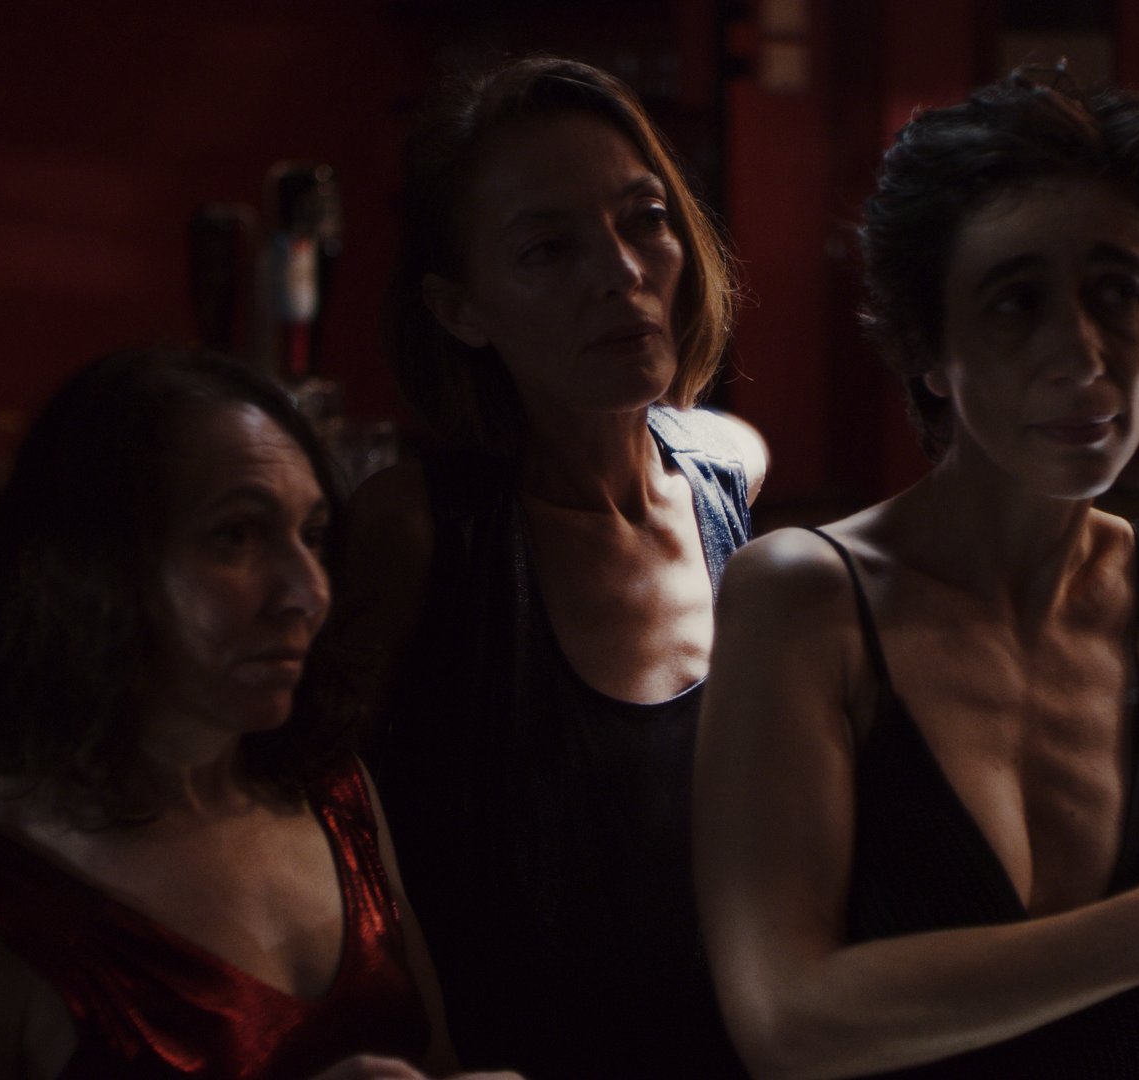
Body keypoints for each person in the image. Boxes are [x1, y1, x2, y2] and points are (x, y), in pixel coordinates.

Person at [692, 70, 1139, 1079]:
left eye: (1118, 294)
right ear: (929, 350)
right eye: (1016, 301)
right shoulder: (805, 598)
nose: (1080, 353)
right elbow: (787, 1020)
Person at [0, 348, 513, 1080]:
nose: (308, 592)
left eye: (312, 535)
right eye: (236, 536)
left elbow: (433, 1059)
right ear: (89, 565)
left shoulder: (334, 789)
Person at [340, 56, 764, 1079]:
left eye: (646, 219)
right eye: (547, 248)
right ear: (460, 309)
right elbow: (316, 832)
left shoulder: (728, 475)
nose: (621, 272)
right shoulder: (417, 531)